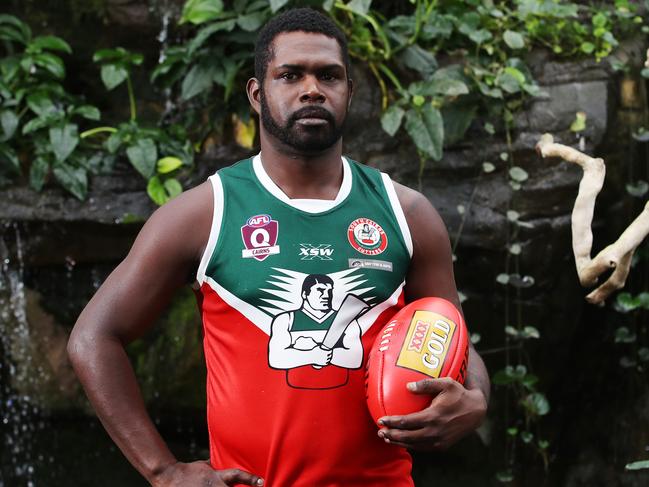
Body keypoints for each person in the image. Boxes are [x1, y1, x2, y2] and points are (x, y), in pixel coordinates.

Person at [67, 8, 490, 487]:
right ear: (256, 93)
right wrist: (164, 471)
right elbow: (93, 338)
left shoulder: (406, 213)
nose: (312, 88)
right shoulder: (204, 213)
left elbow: (452, 332)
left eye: (329, 75)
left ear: (349, 92)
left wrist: (475, 398)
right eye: (290, 75)